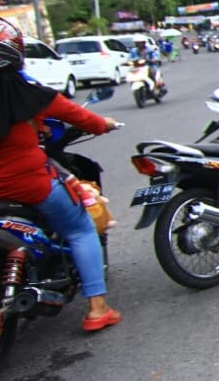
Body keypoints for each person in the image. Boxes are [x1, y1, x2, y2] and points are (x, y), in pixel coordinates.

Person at [0, 18, 121, 331]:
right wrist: (103, 124)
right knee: (80, 227)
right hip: (30, 185)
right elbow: (80, 117)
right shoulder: (31, 93)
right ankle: (97, 308)